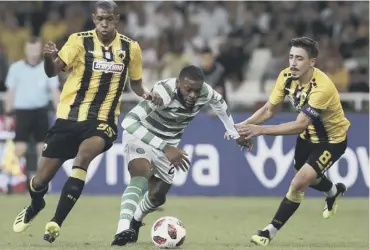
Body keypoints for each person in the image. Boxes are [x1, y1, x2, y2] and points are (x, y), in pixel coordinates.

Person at [12, 0, 159, 244]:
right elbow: (52, 71)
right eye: (100, 19)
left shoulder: (130, 48)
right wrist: (49, 58)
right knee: (39, 181)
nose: (104, 23)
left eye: (109, 19)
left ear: (117, 20)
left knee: (83, 157)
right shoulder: (78, 41)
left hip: (103, 120)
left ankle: (55, 222)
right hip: (68, 119)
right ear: (94, 19)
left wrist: (145, 93)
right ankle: (36, 204)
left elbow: (135, 83)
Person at [111, 65, 250, 246]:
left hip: (169, 143)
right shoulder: (163, 94)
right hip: (141, 134)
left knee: (158, 196)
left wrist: (234, 133)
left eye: (196, 90)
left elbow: (220, 104)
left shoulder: (205, 93)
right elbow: (128, 122)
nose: (193, 95)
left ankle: (135, 221)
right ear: (178, 84)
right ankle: (122, 229)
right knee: (140, 174)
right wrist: (164, 147)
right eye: (188, 89)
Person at [235, 37, 350, 246]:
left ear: (312, 62)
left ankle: (268, 232)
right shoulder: (286, 76)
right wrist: (243, 126)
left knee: (299, 182)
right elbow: (269, 110)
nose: (293, 63)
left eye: (299, 58)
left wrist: (259, 130)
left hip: (331, 140)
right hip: (307, 139)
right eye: (291, 57)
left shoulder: (321, 87)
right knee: (304, 175)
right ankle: (333, 191)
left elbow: (300, 124)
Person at [4, 37, 60, 192]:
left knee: (42, 149)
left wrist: (59, 112)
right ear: (26, 50)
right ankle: (9, 183)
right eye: (31, 49)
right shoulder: (16, 68)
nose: (33, 52)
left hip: (40, 111)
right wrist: (8, 114)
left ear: (40, 50)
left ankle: (40, 185)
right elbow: (11, 92)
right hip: (22, 112)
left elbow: (55, 92)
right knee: (19, 149)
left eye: (36, 49)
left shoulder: (47, 67)